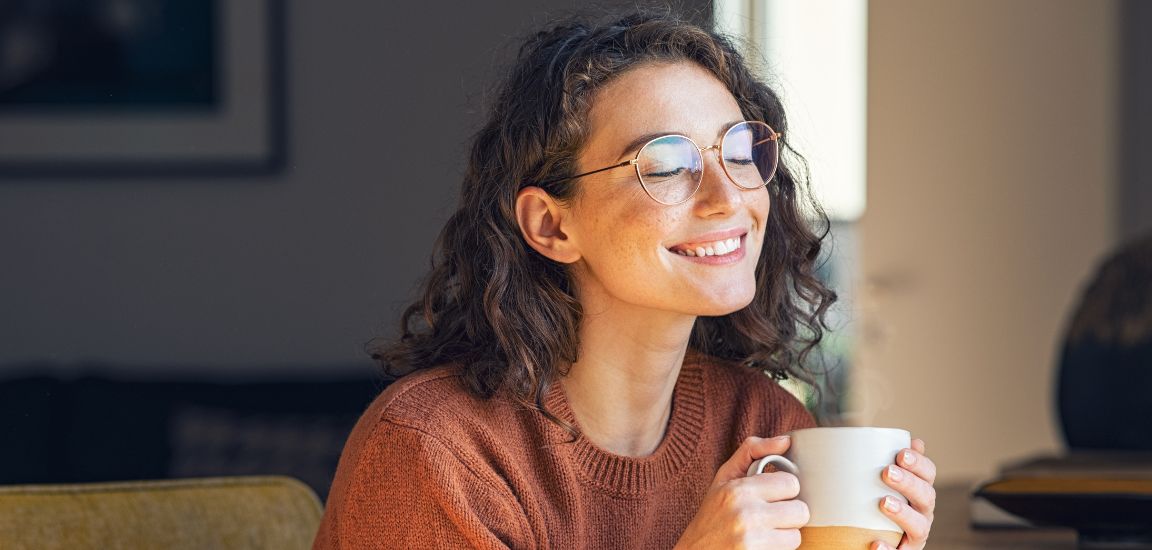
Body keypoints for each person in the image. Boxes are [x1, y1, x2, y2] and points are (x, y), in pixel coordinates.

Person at [315, 10, 936, 550]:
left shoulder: (760, 426)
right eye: (665, 165)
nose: (729, 197)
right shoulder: (437, 452)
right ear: (551, 226)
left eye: (741, 151)